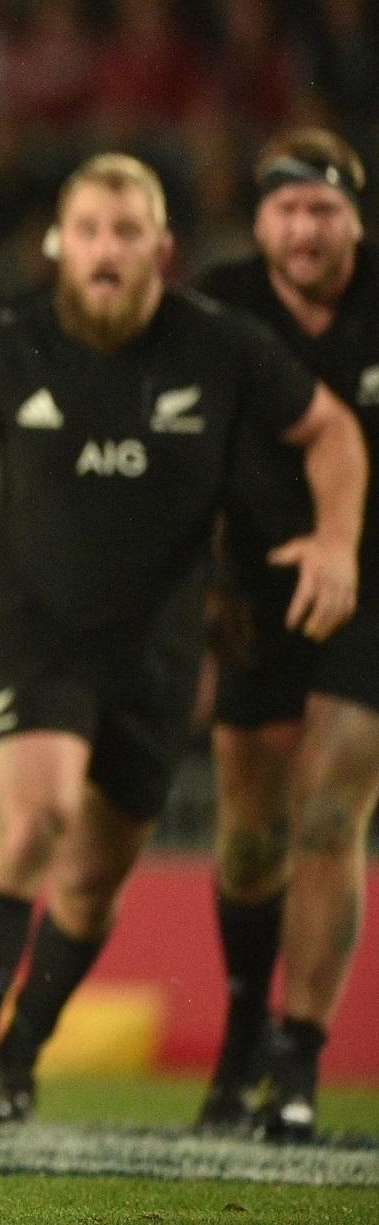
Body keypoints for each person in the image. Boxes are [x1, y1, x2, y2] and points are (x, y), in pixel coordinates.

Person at [0, 153, 365, 1126]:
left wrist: (337, 544)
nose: (106, 250)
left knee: (94, 880)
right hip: (34, 636)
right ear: (60, 243)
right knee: (31, 819)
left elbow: (331, 431)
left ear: (160, 247)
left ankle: (18, 1052)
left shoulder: (217, 346)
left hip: (155, 650)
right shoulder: (7, 348)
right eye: (89, 230)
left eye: (126, 231)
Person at [194, 128, 379, 1141]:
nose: (303, 228)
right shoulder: (215, 304)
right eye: (285, 208)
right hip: (255, 580)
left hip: (371, 578)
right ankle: (236, 1027)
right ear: (257, 220)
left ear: (355, 218)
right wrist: (199, 577)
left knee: (329, 807)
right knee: (250, 826)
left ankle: (297, 1057)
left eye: (323, 208)